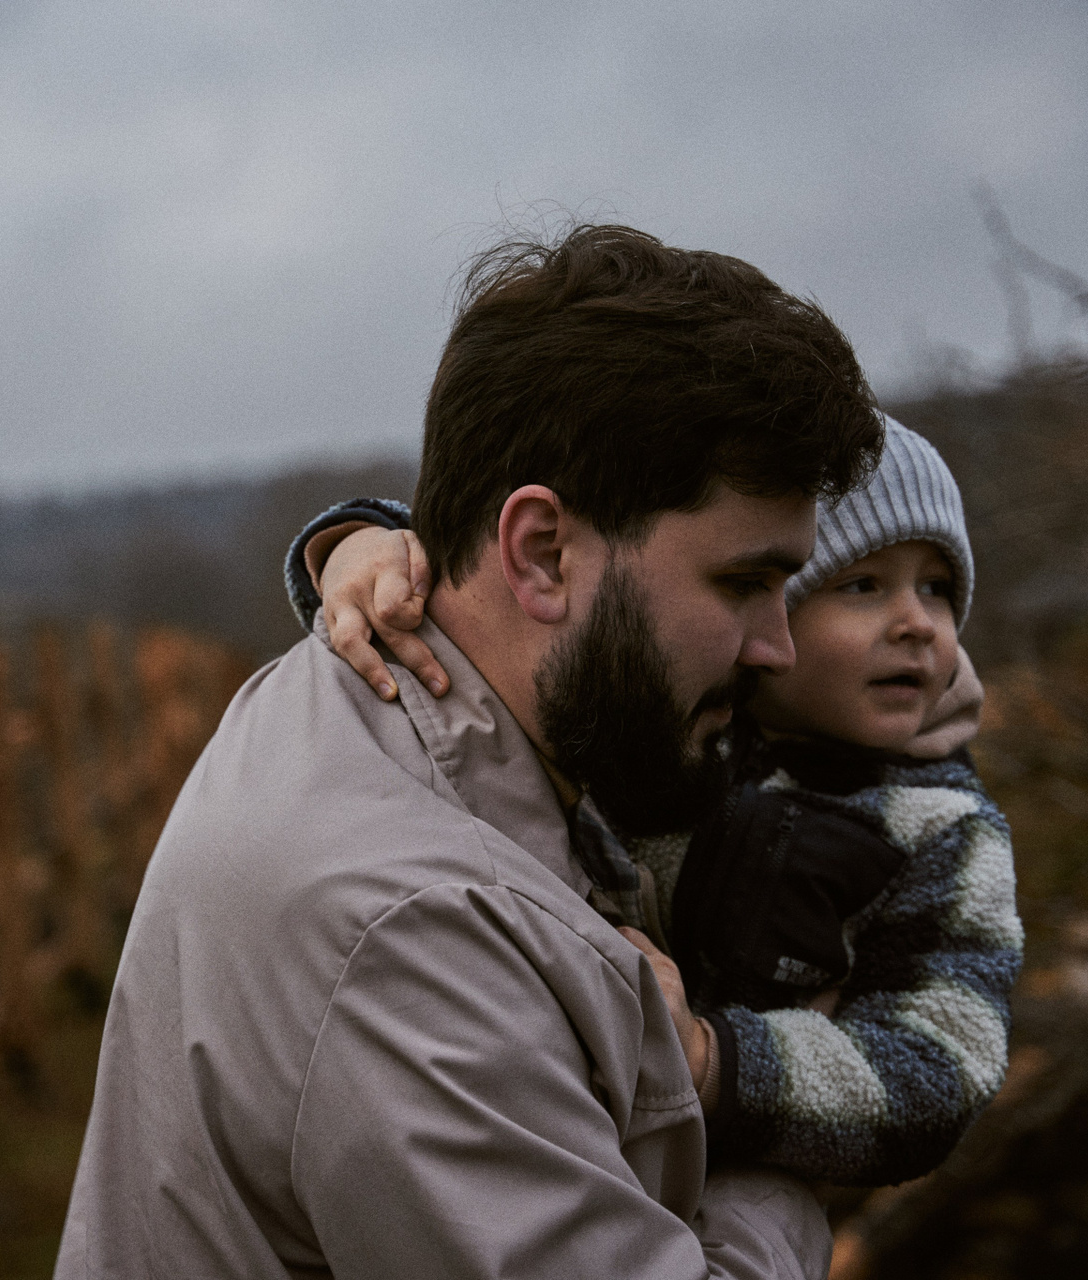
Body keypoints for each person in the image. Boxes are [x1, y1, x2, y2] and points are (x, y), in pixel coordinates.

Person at [54, 224, 883, 1279]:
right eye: (742, 582)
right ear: (539, 552)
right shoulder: (415, 933)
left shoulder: (359, 708)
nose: (778, 647)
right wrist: (795, 1123)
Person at [287, 418, 1023, 1188]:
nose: (917, 624)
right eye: (863, 586)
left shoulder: (945, 832)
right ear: (764, 601)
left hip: (711, 1191)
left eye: (937, 588)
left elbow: (939, 1070)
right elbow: (518, 607)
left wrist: (714, 1059)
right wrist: (361, 547)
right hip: (541, 1125)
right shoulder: (672, 720)